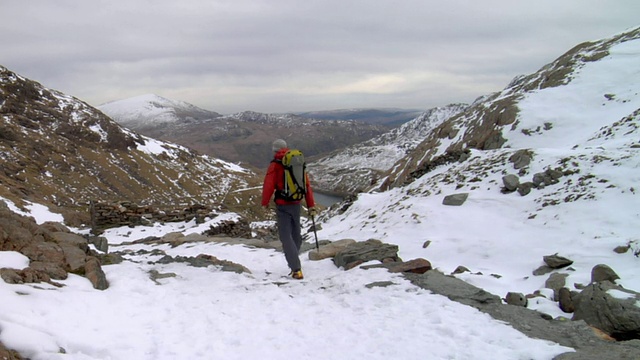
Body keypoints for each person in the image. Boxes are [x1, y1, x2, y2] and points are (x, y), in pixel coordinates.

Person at [261, 139, 317, 280]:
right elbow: (306, 185)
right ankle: (294, 258)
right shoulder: (296, 162)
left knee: (286, 236)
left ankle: (296, 269)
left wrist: (265, 202)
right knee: (295, 233)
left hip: (282, 204)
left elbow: (269, 185)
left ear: (275, 150)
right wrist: (311, 205)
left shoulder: (276, 164)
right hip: (297, 202)